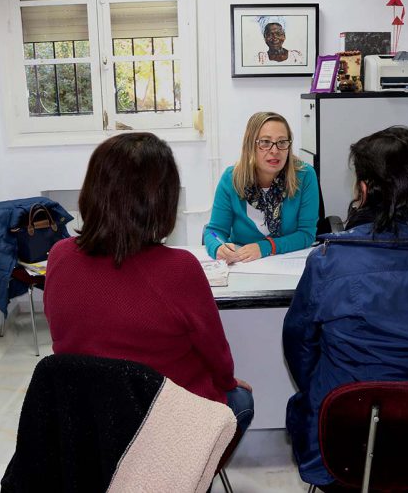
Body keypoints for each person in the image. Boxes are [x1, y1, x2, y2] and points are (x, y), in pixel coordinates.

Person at [283, 127, 408, 487]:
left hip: (347, 443)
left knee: (309, 401)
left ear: (363, 191)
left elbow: (299, 346)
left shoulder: (331, 260)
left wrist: (327, 390)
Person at [44, 132, 254, 434]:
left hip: (85, 424)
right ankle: (188, 482)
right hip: (162, 429)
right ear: (161, 202)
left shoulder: (60, 256)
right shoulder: (179, 269)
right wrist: (227, 384)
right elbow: (219, 359)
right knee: (241, 399)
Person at [204, 111, 319, 262]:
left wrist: (266, 247)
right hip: (244, 266)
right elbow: (214, 231)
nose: (275, 151)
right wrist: (218, 247)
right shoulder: (231, 179)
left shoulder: (304, 176)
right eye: (265, 142)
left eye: (282, 142)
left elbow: (306, 234)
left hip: (289, 264)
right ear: (250, 145)